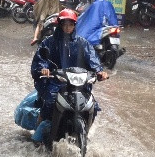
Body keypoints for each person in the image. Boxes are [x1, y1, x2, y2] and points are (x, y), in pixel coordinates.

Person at [29, 9, 109, 143]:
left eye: (70, 25)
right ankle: (39, 132)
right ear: (60, 25)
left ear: (74, 26)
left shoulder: (82, 43)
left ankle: (85, 133)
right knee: (49, 102)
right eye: (64, 24)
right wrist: (44, 69)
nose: (67, 27)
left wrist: (100, 72)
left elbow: (93, 60)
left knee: (93, 107)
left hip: (78, 83)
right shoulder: (49, 42)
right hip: (56, 81)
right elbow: (41, 59)